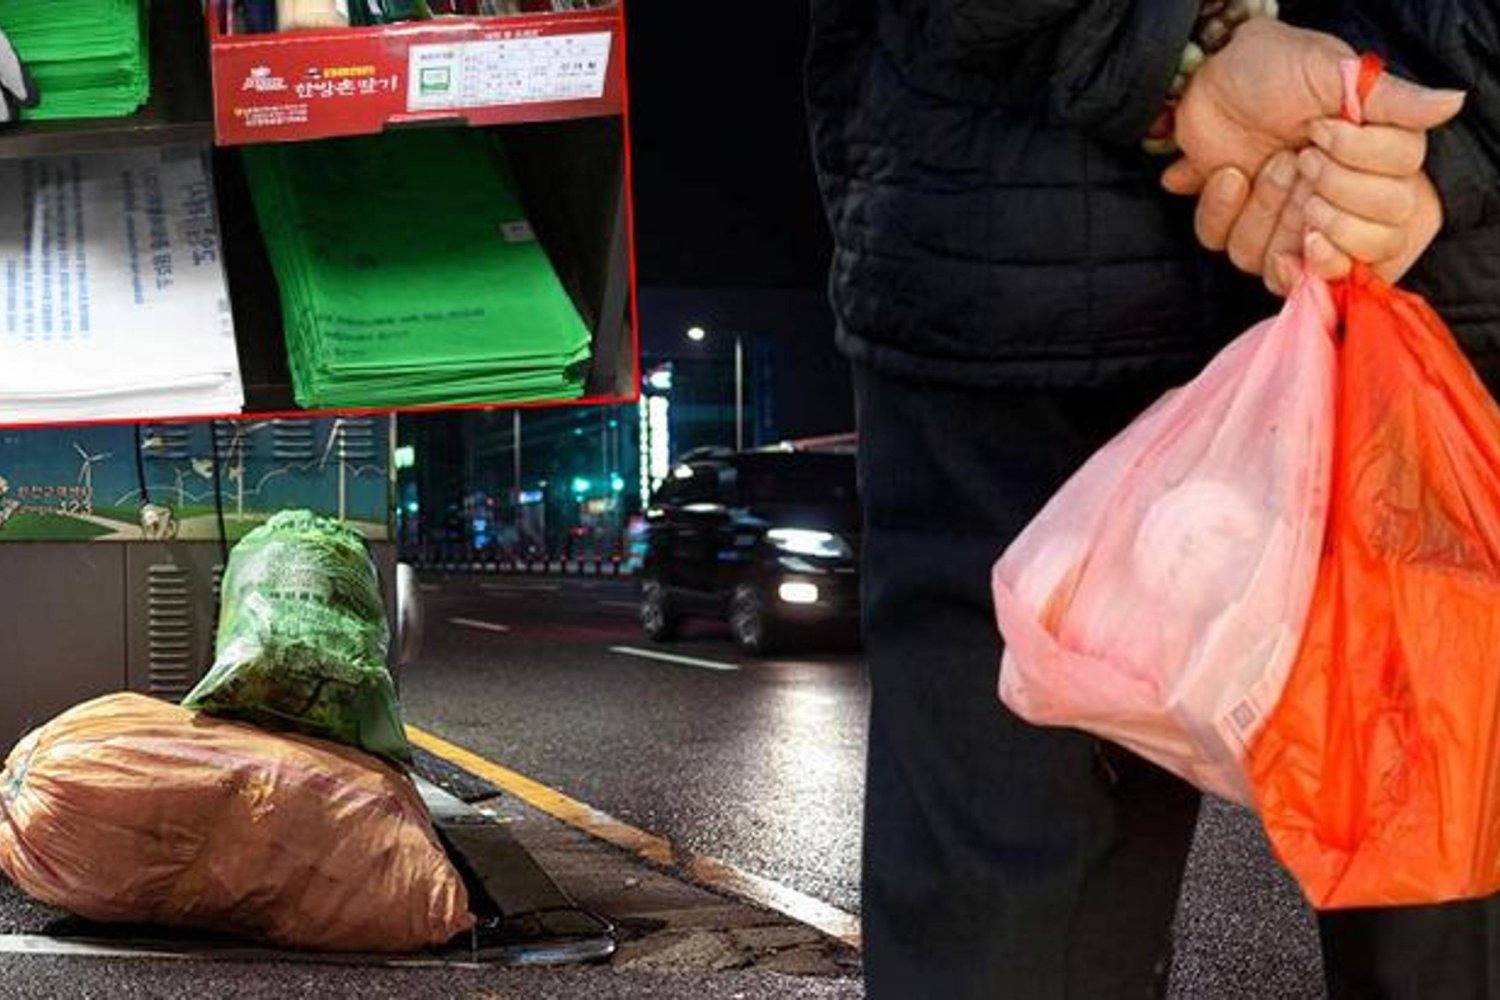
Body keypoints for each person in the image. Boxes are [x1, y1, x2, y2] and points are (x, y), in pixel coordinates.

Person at [807, 3, 1499, 998]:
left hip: (1022, 248)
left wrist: (1175, 57)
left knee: (1014, 924)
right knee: (1459, 908)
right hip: (1432, 298)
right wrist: (1435, 151)